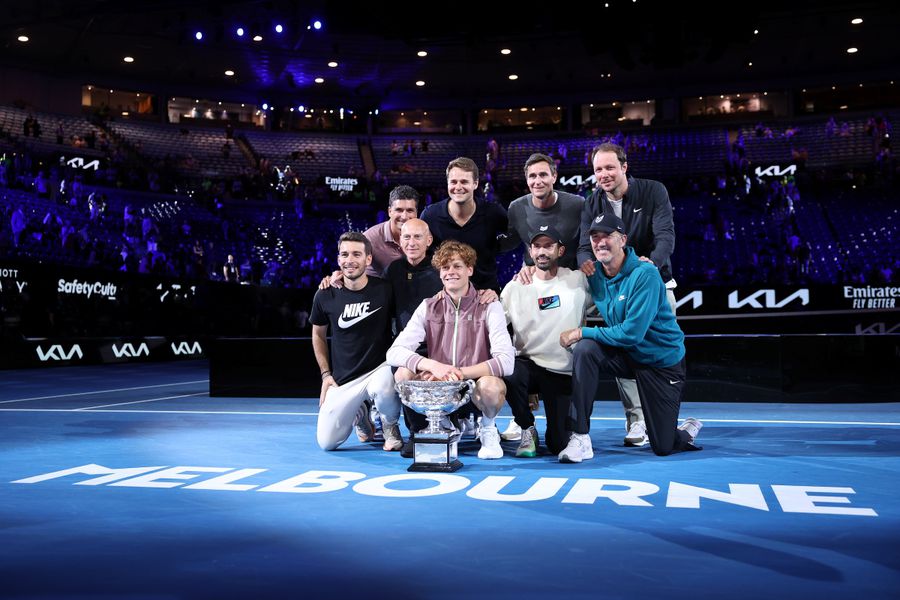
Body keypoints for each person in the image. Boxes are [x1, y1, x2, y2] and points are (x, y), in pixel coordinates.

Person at [559, 214, 701, 463]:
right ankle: (580, 437)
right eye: (595, 237)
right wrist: (526, 275)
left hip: (660, 362)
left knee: (663, 446)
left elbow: (631, 333)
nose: (600, 242)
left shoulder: (645, 273)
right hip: (627, 356)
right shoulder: (595, 275)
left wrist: (581, 331)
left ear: (623, 239)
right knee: (586, 350)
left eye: (607, 236)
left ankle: (686, 430)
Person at [577, 142, 678, 448]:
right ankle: (635, 420)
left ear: (624, 166)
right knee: (621, 343)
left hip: (654, 282)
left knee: (654, 349)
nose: (604, 174)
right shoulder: (592, 202)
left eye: (610, 167)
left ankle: (662, 414)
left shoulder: (653, 190)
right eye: (598, 169)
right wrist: (586, 266)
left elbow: (665, 236)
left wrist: (652, 263)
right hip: (614, 286)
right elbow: (584, 246)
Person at [386, 240, 515, 460]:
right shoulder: (429, 305)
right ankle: (436, 424)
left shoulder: (489, 305)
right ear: (439, 273)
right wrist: (432, 365)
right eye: (445, 268)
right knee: (402, 374)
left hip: (474, 385)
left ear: (470, 270)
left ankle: (488, 427)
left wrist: (460, 373)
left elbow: (506, 361)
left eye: (457, 266)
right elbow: (394, 352)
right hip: (440, 386)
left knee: (492, 387)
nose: (451, 272)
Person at [500, 227, 591, 457]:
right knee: (508, 370)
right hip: (528, 365)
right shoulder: (515, 286)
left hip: (562, 370)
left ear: (560, 250)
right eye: (537, 247)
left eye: (548, 246)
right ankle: (526, 427)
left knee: (557, 444)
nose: (542, 251)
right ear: (530, 251)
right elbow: (495, 325)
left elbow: (609, 295)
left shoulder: (578, 280)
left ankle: (558, 432)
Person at [310, 231, 403, 452]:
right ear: (338, 259)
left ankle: (390, 426)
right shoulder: (325, 294)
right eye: (344, 255)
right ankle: (361, 415)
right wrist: (325, 375)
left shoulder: (384, 289)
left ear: (368, 259)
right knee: (327, 443)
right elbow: (317, 335)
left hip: (379, 368)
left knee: (385, 387)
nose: (350, 260)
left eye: (356, 254)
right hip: (345, 379)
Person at [420, 157, 508, 293]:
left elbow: (517, 235)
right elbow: (422, 257)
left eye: (464, 182)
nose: (458, 187)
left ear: (475, 183)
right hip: (443, 295)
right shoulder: (430, 215)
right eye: (453, 182)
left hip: (485, 295)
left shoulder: (494, 213)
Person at [502, 153, 584, 272]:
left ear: (554, 176)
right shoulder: (516, 208)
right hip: (534, 278)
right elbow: (509, 242)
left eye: (543, 175)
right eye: (532, 176)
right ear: (527, 180)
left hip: (571, 278)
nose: (538, 181)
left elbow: (588, 242)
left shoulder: (578, 204)